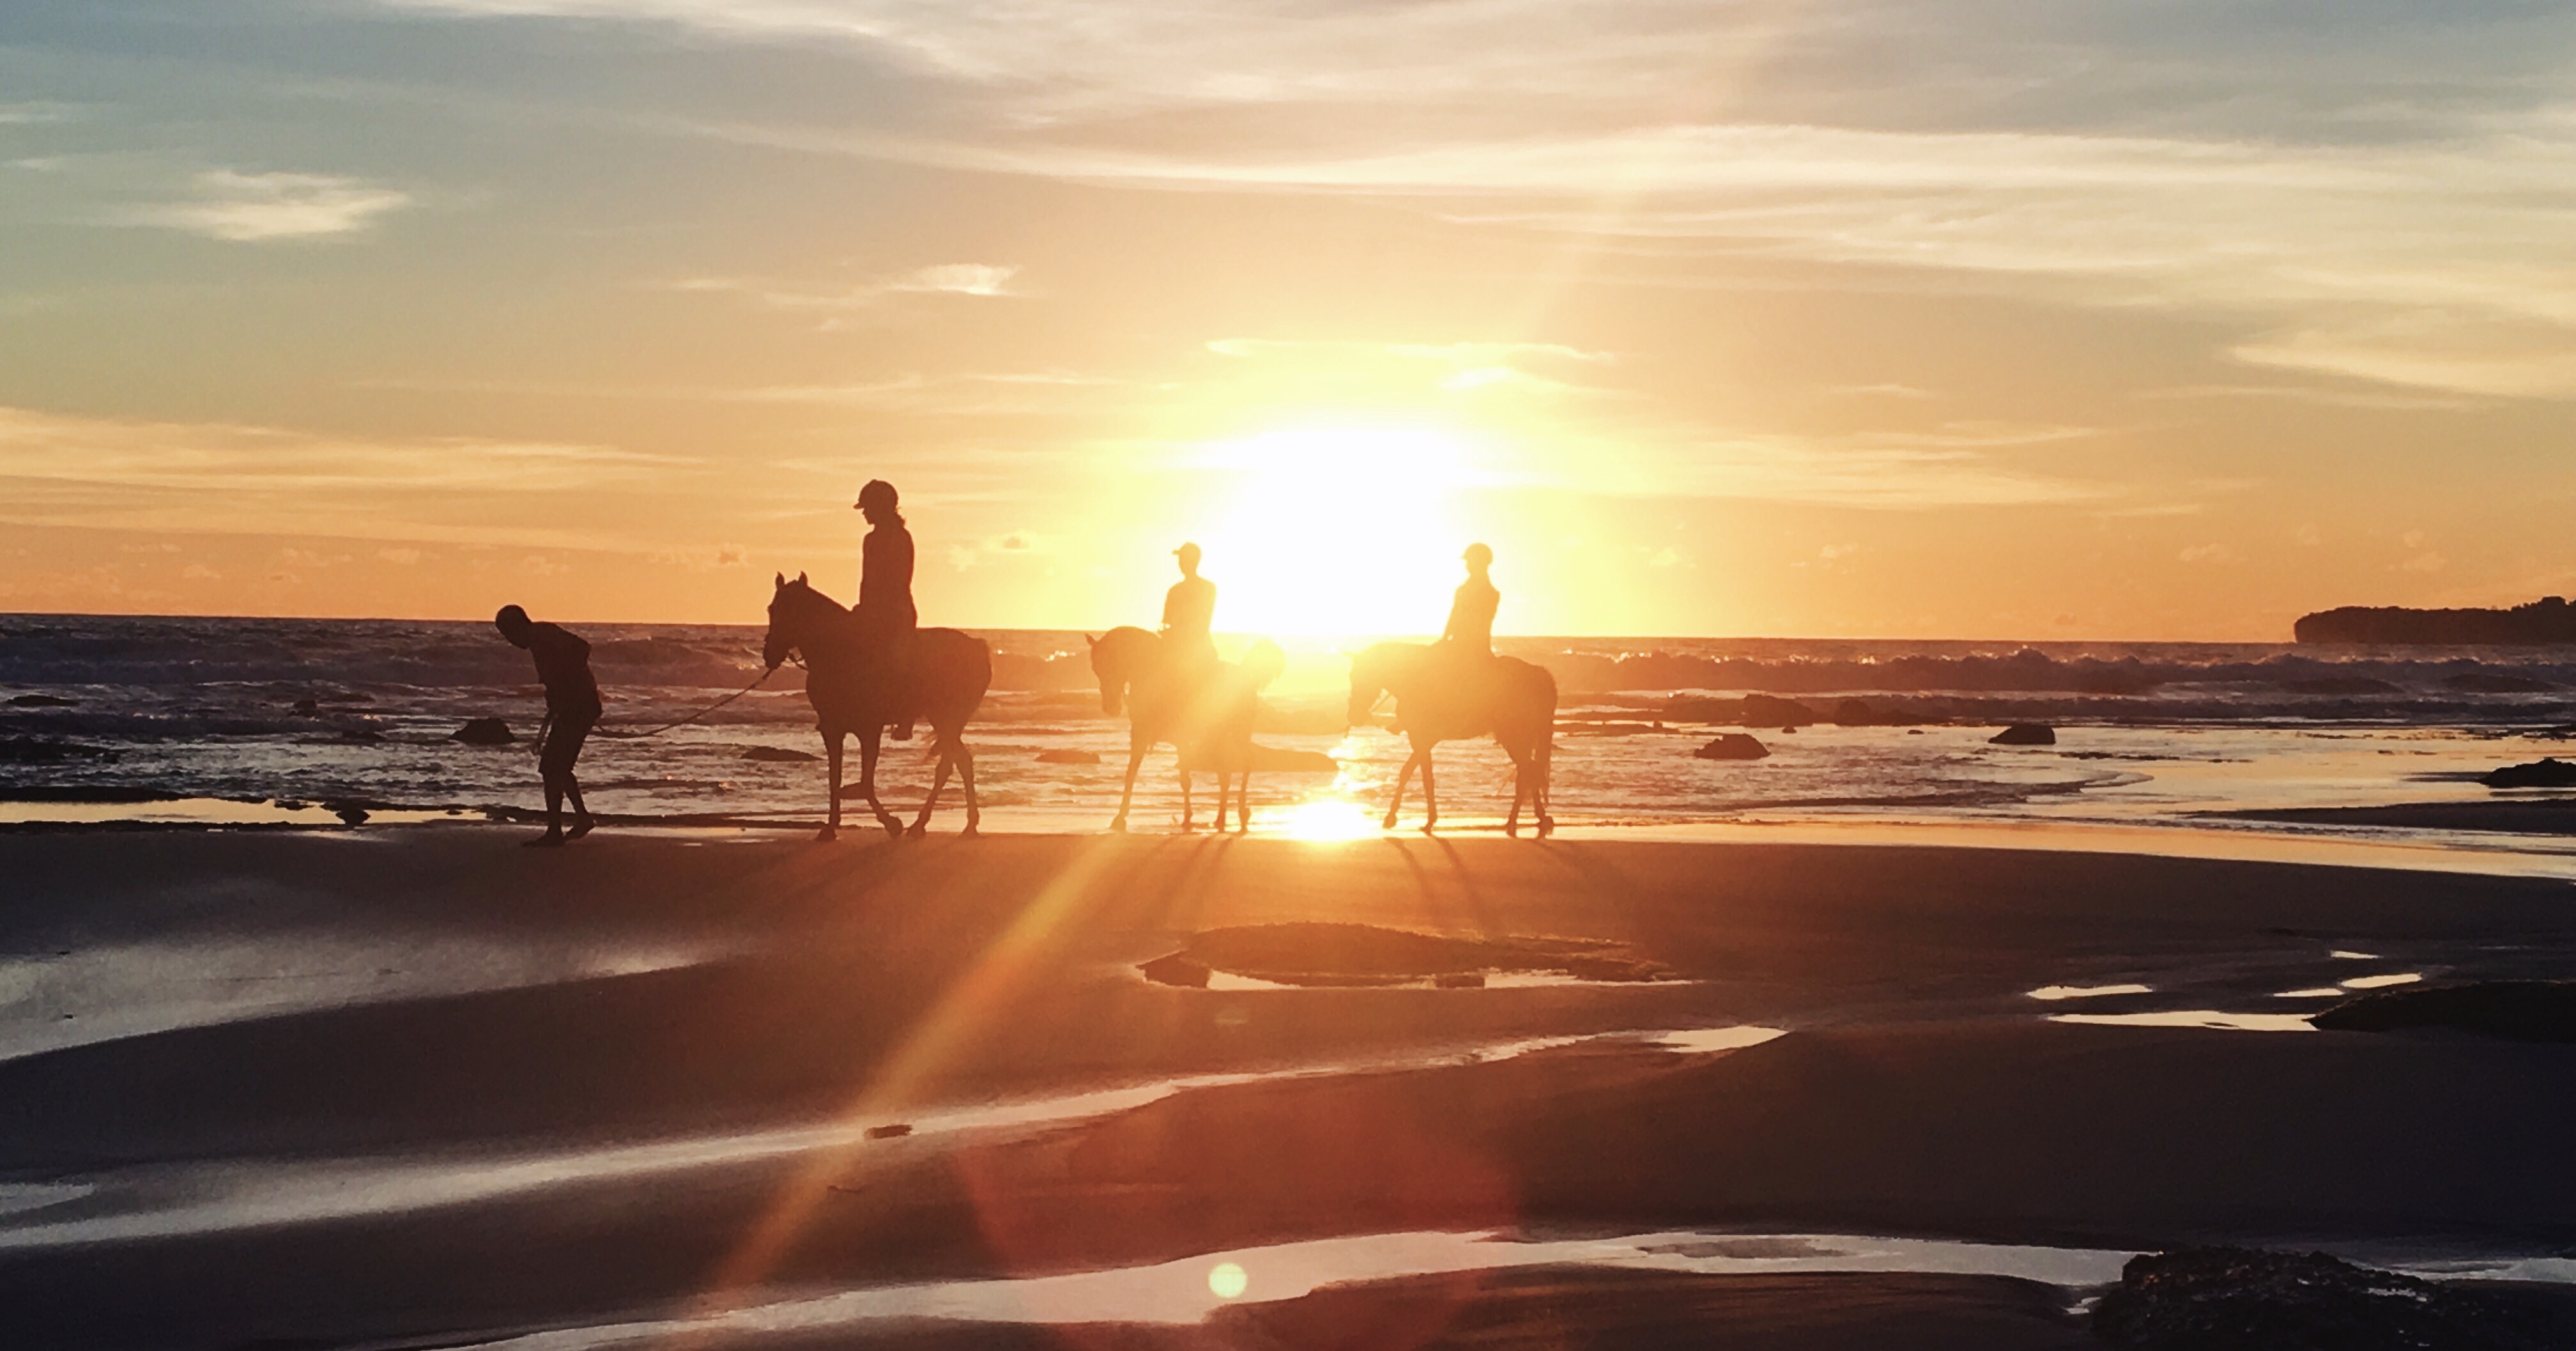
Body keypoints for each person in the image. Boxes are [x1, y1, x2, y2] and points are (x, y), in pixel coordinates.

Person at [495, 604, 599, 846]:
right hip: (575, 706)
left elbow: (582, 648)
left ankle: (560, 829)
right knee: (556, 766)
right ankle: (580, 819)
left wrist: (567, 684)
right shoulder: (537, 640)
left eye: (508, 634)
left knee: (553, 766)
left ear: (518, 627)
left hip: (579, 706)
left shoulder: (543, 635)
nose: (510, 641)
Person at [854, 479, 920, 739]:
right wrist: (862, 609)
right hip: (871, 609)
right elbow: (866, 578)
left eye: (867, 508)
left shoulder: (901, 538)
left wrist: (880, 609)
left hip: (897, 611)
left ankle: (906, 715)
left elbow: (900, 579)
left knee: (898, 659)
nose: (865, 514)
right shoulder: (869, 539)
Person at [1162, 542, 1218, 677]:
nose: (1180, 564)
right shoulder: (1209, 588)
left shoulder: (1175, 591)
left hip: (1185, 649)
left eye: (1182, 560)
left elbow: (1169, 620)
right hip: (1202, 648)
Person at [1443, 543, 1500, 657]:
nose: (1468, 565)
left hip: (1470, 651)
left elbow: (1465, 622)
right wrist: (1445, 641)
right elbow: (1454, 619)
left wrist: (1448, 642)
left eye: (1470, 561)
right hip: (1461, 646)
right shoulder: (1464, 589)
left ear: (1479, 562)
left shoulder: (1487, 592)